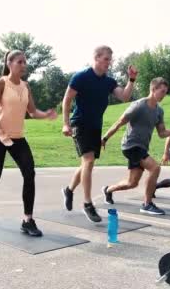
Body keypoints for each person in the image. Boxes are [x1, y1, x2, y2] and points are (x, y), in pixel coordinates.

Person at [0, 50, 57, 237]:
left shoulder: (26, 86)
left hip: (18, 138)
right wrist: (0, 133)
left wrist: (46, 114)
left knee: (29, 173)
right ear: (10, 63)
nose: (24, 65)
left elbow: (32, 112)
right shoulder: (0, 83)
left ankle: (27, 220)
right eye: (20, 62)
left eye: (25, 62)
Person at [60, 45, 136, 222]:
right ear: (96, 58)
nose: (109, 63)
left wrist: (131, 80)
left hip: (96, 126)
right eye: (106, 59)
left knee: (87, 163)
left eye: (110, 59)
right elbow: (67, 99)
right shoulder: (81, 77)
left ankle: (69, 190)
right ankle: (87, 204)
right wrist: (65, 124)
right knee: (89, 160)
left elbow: (124, 96)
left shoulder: (109, 81)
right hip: (80, 123)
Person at [100, 78, 170, 214]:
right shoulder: (138, 105)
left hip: (141, 147)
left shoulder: (159, 111)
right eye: (162, 91)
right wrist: (105, 138)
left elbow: (162, 133)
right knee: (155, 168)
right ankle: (147, 203)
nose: (164, 95)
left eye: (166, 92)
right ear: (153, 89)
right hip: (131, 145)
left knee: (132, 183)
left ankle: (108, 190)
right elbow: (119, 122)